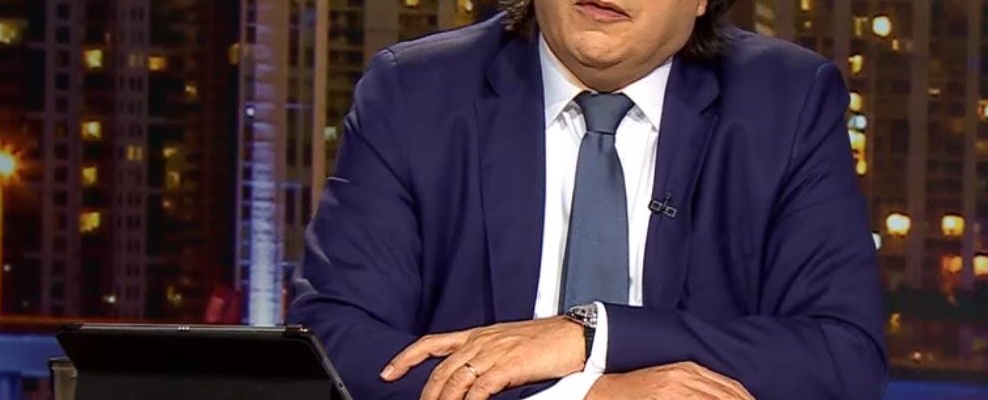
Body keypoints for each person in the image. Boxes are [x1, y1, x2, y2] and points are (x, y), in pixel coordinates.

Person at [286, 0, 886, 398]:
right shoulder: (416, 91)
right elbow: (336, 338)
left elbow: (841, 356)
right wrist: (582, 393)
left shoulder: (785, 102)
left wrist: (592, 335)